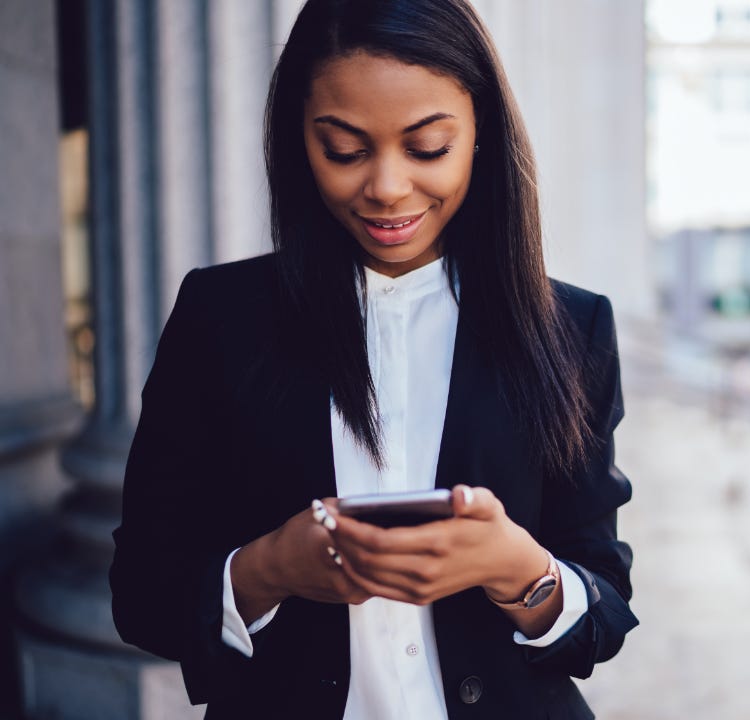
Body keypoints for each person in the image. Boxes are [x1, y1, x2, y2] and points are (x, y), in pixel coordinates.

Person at [108, 1, 637, 718]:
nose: (387, 187)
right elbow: (142, 597)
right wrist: (270, 569)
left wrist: (518, 569)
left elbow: (600, 616)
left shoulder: (571, 327)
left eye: (427, 148)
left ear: (481, 133)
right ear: (299, 139)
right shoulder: (221, 318)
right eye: (345, 149)